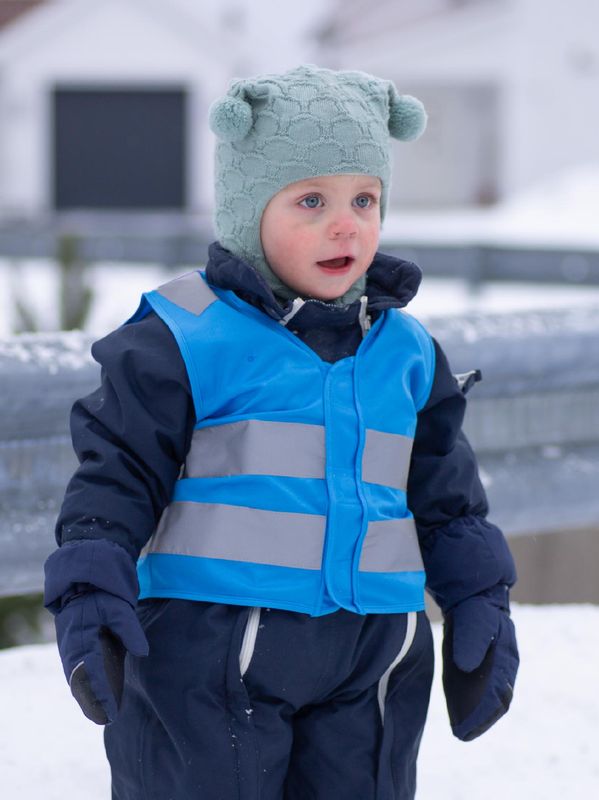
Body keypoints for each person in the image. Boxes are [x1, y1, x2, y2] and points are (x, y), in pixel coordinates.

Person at [43, 65, 519, 800]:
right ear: (246, 209)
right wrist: (90, 590)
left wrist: (479, 600)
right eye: (310, 200)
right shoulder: (184, 337)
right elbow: (115, 478)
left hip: (371, 657)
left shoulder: (407, 352)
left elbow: (448, 498)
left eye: (364, 198)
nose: (346, 223)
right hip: (206, 656)